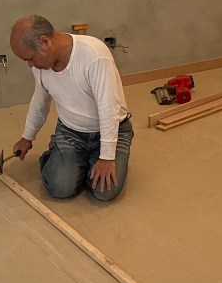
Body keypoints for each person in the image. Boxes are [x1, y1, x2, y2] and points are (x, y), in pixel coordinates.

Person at [9, 15, 133, 201]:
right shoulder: (40, 68)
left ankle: (81, 160)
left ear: (45, 42)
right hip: (71, 132)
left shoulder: (94, 54)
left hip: (113, 129)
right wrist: (27, 137)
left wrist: (107, 157)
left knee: (105, 191)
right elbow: (39, 102)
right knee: (59, 187)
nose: (30, 65)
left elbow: (108, 108)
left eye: (31, 58)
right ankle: (63, 158)